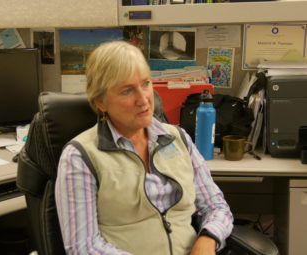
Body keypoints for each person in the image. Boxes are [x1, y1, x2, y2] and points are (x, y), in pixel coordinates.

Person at [55, 40, 233, 255]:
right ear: (101, 102)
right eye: (127, 91)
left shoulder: (178, 138)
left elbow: (216, 206)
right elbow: (83, 247)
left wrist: (207, 239)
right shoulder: (80, 156)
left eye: (146, 83)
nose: (144, 100)